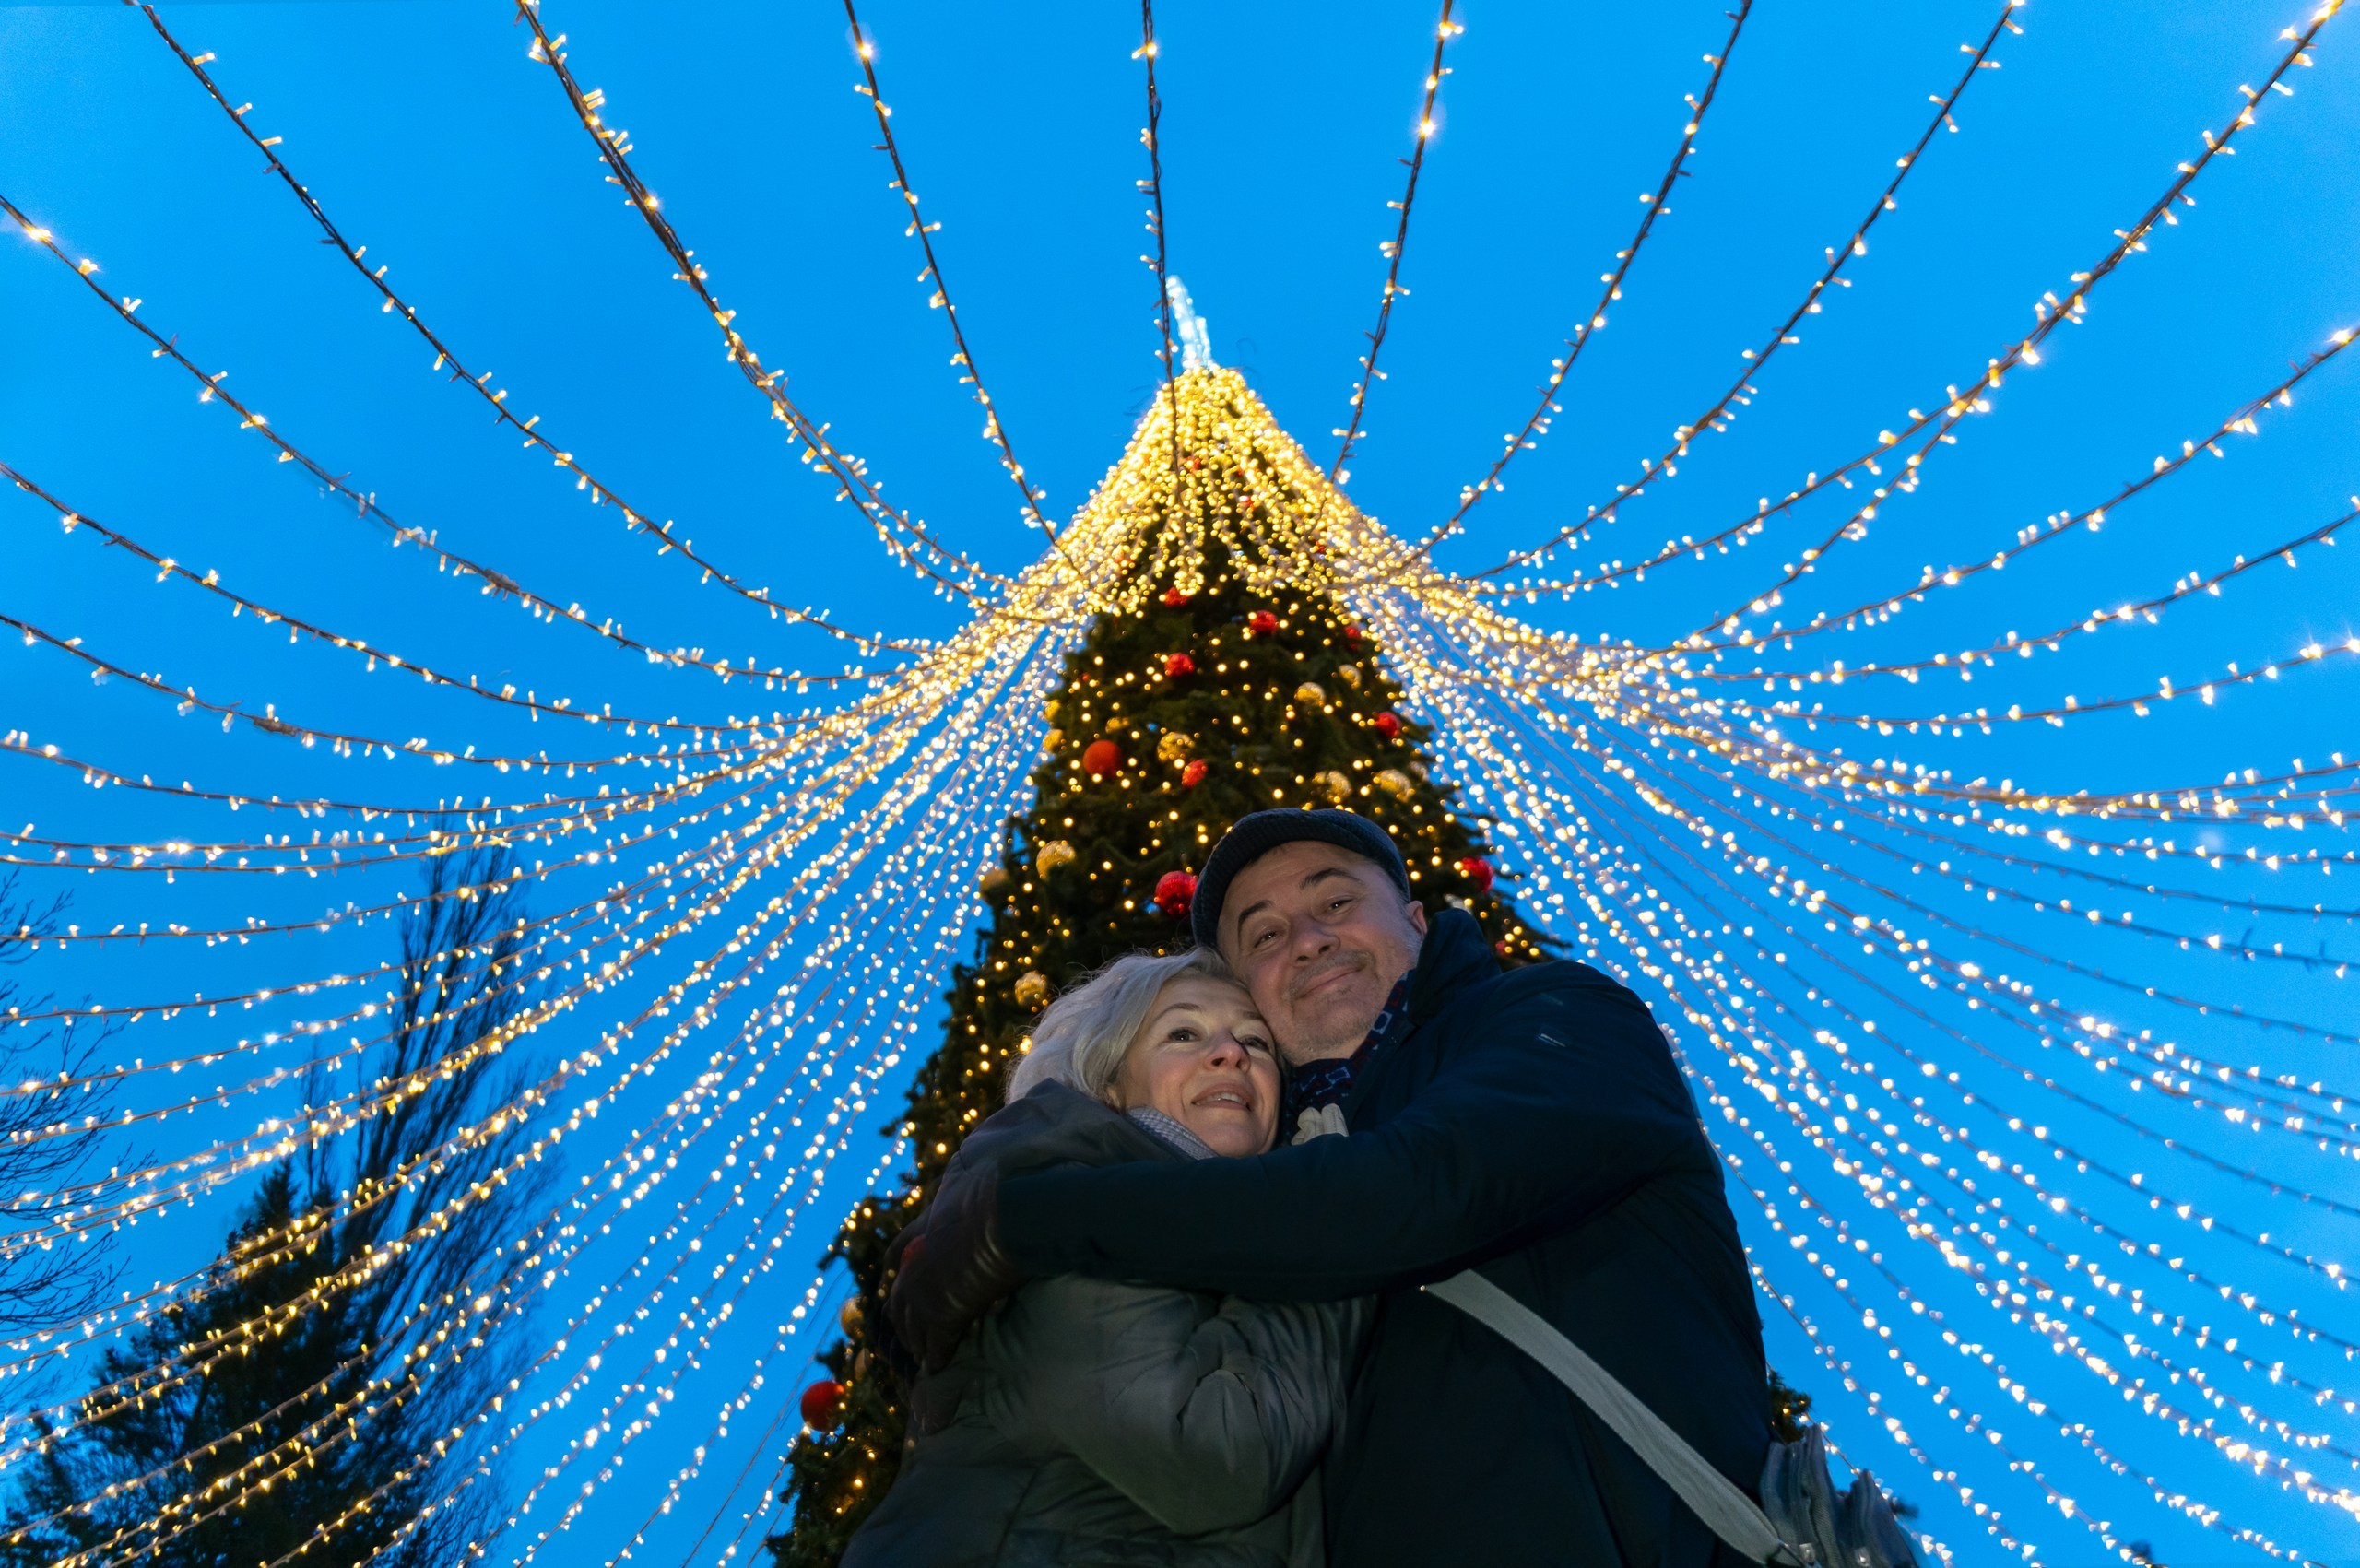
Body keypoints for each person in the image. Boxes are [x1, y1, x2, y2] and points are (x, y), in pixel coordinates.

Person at [891, 809, 1772, 1568]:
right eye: (1264, 935)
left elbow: (1418, 1186)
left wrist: (1030, 1218)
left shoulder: (1553, 1020)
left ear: (1419, 921)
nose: (1306, 938)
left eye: (1336, 900)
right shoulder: (1250, 1193)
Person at [845, 949, 1363, 1568]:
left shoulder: (1201, 1231)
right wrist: (1324, 1219)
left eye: (1255, 1039)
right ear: (1111, 1084)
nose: (1232, 1053)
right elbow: (1218, 1459)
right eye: (1183, 1032)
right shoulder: (1074, 1204)